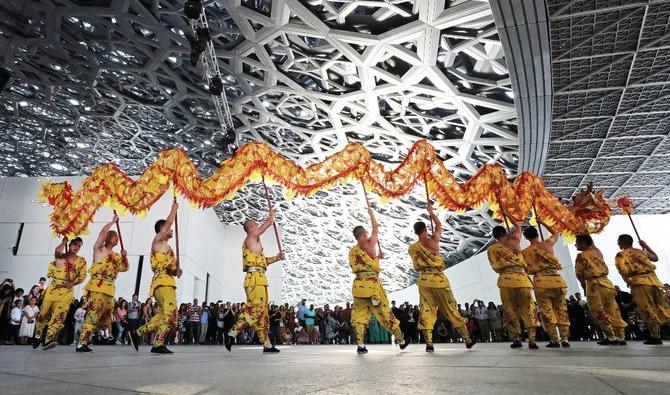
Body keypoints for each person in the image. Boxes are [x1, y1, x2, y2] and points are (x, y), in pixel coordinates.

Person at [408, 204, 474, 351]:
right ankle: (467, 339)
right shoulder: (434, 241)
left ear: (415, 232)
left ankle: (429, 342)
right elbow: (438, 224)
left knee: (426, 310)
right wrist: (431, 212)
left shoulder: (412, 248)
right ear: (425, 230)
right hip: (438, 279)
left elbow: (415, 265)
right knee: (450, 308)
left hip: (424, 280)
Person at [349, 207, 408, 354]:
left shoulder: (352, 251)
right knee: (385, 314)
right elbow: (375, 227)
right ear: (364, 233)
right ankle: (401, 340)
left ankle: (361, 346)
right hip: (373, 287)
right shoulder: (370, 243)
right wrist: (371, 214)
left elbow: (360, 263)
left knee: (359, 317)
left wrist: (376, 257)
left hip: (358, 288)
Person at [225, 209, 285, 353]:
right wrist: (271, 219)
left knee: (262, 314)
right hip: (254, 280)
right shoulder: (251, 237)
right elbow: (262, 228)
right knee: (256, 309)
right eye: (255, 225)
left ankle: (267, 344)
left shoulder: (256, 245)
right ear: (251, 228)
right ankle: (232, 332)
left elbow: (263, 262)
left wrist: (277, 258)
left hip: (260, 278)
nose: (257, 226)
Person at [76, 215, 129, 352]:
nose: (117, 238)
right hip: (98, 286)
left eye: (118, 236)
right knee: (94, 313)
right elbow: (102, 233)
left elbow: (124, 268)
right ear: (108, 238)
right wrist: (112, 222)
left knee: (105, 318)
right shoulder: (100, 249)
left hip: (110, 289)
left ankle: (86, 339)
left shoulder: (116, 256)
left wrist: (124, 256)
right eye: (114, 236)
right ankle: (81, 342)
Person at [135, 199, 182, 354]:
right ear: (162, 229)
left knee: (163, 314)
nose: (172, 230)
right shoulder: (158, 241)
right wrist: (173, 209)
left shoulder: (167, 247)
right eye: (169, 228)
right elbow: (169, 223)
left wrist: (177, 271)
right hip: (162, 282)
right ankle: (158, 344)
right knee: (171, 313)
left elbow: (172, 269)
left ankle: (138, 333)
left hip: (168, 280)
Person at [487, 223, 537, 349]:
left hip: (506, 281)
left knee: (509, 309)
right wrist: (507, 215)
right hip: (522, 279)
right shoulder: (515, 241)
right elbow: (519, 228)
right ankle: (532, 339)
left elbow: (495, 267)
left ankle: (516, 339)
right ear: (506, 233)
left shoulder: (492, 249)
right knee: (528, 308)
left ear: (494, 237)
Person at [614, 235, 670, 345]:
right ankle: (657, 333)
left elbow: (622, 270)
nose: (618, 243)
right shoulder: (641, 251)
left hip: (640, 283)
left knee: (647, 309)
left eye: (618, 241)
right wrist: (646, 246)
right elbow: (655, 258)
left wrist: (627, 281)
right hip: (654, 281)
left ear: (622, 242)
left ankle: (655, 336)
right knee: (661, 308)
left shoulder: (621, 255)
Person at [33, 237, 87, 350]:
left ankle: (49, 338)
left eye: (79, 246)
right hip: (53, 289)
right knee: (44, 314)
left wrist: (73, 283)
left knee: (59, 316)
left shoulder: (81, 261)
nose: (76, 247)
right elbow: (57, 252)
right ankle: (38, 335)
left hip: (66, 292)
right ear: (70, 244)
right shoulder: (61, 256)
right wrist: (63, 242)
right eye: (75, 244)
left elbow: (82, 276)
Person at [521, 226, 571, 348]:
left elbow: (526, 270)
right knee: (561, 309)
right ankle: (565, 339)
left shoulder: (525, 252)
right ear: (537, 234)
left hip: (541, 282)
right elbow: (555, 232)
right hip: (556, 279)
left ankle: (554, 339)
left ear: (526, 237)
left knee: (547, 311)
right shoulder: (547, 244)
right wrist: (542, 222)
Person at [574, 234, 627, 345]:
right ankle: (621, 336)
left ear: (583, 243)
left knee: (598, 311)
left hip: (594, 285)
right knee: (613, 310)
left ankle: (611, 336)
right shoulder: (597, 252)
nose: (575, 244)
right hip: (607, 283)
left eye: (577, 242)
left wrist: (584, 286)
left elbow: (579, 274)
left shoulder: (581, 256)